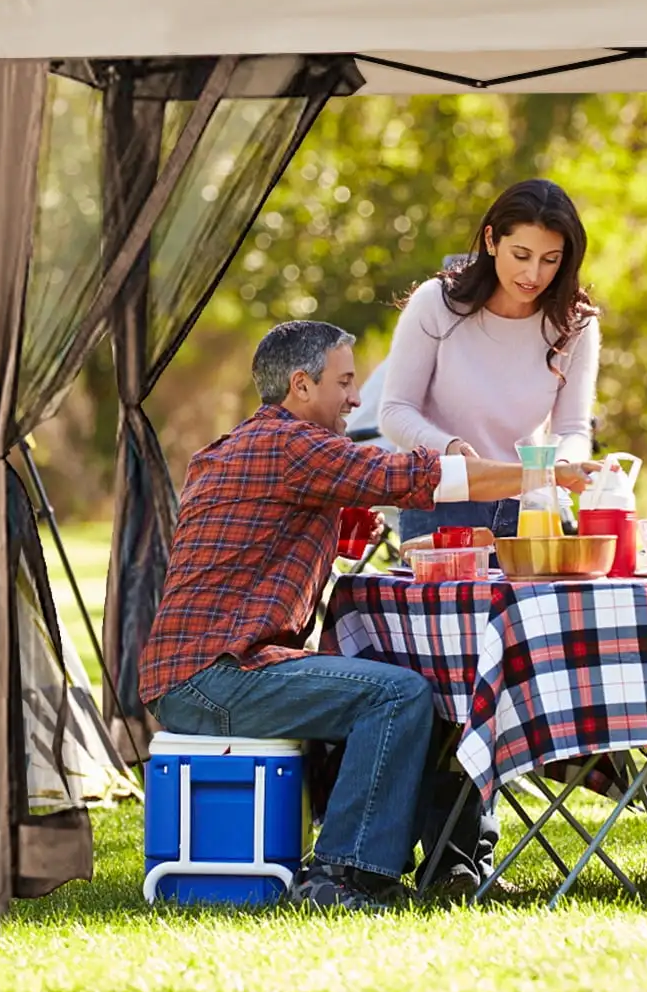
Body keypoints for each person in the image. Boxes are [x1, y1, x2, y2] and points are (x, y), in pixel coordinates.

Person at [138, 319, 591, 913]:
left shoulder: (241, 445)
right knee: (396, 694)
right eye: (345, 382)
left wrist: (343, 523)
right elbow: (424, 478)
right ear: (302, 386)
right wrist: (546, 473)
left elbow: (278, 529)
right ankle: (339, 876)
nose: (356, 398)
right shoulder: (293, 445)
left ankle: (423, 857)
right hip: (218, 678)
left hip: (198, 671)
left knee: (391, 679)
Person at [380, 177, 599, 548]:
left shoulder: (574, 323)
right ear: (491, 241)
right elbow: (395, 411)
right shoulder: (437, 304)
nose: (533, 275)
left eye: (550, 260)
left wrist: (563, 465)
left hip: (531, 508)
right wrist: (447, 446)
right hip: (443, 504)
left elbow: (574, 427)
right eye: (521, 255)